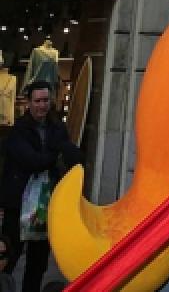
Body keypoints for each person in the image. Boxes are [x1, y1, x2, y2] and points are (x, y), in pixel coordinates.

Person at [1, 81, 82, 292]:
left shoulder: (57, 127)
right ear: (28, 103)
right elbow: (31, 161)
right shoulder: (19, 130)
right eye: (37, 101)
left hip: (46, 206)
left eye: (45, 100)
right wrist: (56, 154)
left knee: (37, 264)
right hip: (18, 205)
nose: (42, 106)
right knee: (8, 257)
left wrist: (61, 154)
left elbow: (74, 156)